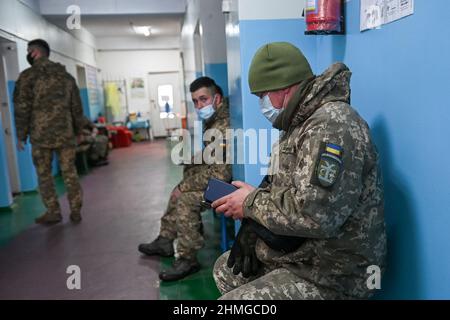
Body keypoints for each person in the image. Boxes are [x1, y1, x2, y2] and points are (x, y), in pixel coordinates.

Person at [211, 42, 387, 299]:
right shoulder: (297, 124)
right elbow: (276, 183)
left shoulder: (331, 126)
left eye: (262, 96)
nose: (262, 104)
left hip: (339, 272)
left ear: (284, 90)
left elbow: (316, 215)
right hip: (304, 254)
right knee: (224, 270)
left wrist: (250, 203)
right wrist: (252, 225)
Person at [138, 77, 232, 281]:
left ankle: (188, 259)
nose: (199, 106)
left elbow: (220, 175)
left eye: (203, 99)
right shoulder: (214, 120)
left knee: (185, 199)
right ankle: (165, 239)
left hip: (229, 187)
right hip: (220, 178)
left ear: (217, 98)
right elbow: (213, 156)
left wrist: (184, 186)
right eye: (196, 101)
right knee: (183, 181)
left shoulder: (223, 126)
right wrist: (193, 160)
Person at [14, 39, 85, 224]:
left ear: (35, 53)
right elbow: (76, 106)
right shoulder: (66, 77)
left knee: (44, 175)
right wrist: (79, 130)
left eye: (29, 51)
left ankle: (53, 212)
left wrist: (21, 136)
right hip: (65, 133)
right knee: (70, 172)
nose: (28, 54)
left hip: (40, 135)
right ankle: (76, 210)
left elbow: (22, 108)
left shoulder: (27, 77)